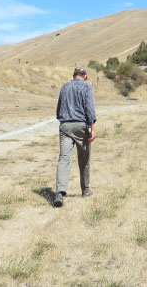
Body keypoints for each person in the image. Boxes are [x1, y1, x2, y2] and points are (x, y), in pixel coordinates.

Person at [54, 66, 96, 207]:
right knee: (84, 160)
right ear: (84, 76)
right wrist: (92, 129)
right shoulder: (86, 87)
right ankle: (85, 190)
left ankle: (59, 192)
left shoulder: (64, 87)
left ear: (74, 75)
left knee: (64, 159)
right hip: (80, 126)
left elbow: (59, 109)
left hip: (65, 126)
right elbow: (90, 109)